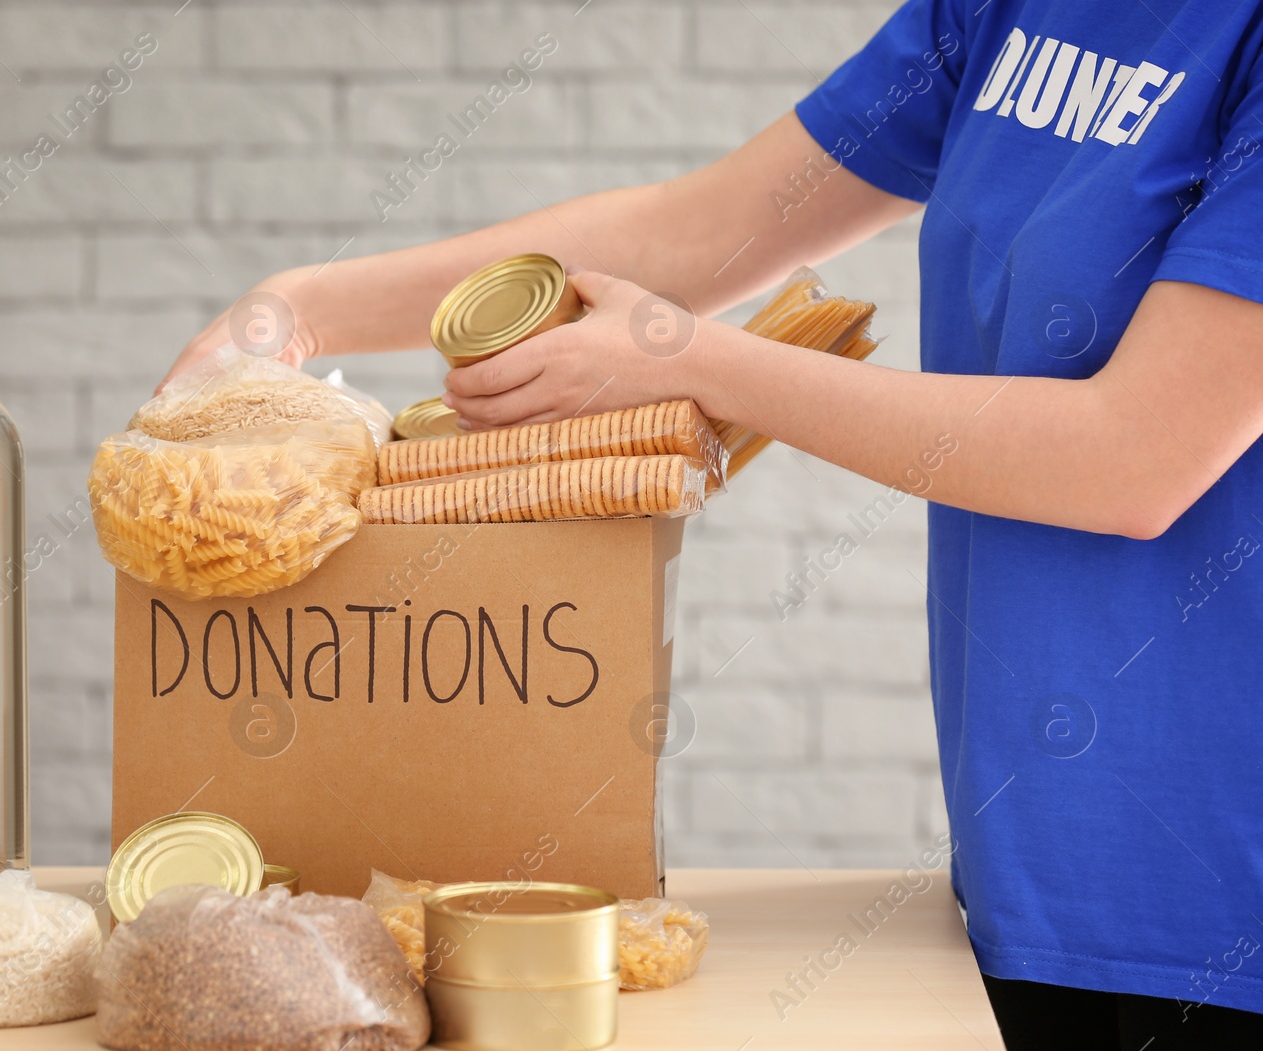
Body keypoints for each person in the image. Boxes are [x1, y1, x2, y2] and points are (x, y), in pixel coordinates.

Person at [165, 2, 1263, 1047]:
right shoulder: (1005, 7)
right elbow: (712, 226)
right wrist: (298, 309)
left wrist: (690, 361)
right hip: (1036, 861)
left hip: (1229, 888)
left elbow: (1138, 456)